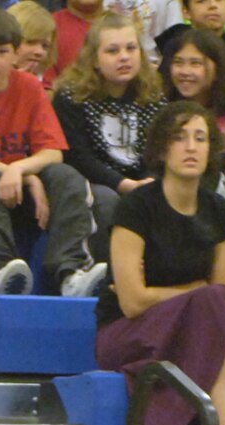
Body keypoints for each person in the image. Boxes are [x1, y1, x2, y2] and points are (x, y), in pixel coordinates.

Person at [100, 102, 225, 425]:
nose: (191, 147)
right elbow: (132, 302)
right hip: (127, 331)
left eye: (200, 138)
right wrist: (192, 293)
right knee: (213, 304)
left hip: (194, 321)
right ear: (162, 149)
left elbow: (224, 295)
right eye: (180, 138)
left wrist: (190, 296)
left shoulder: (219, 212)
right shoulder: (136, 207)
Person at [0, 6, 106, 297]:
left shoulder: (30, 86)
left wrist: (19, 170)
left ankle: (71, 272)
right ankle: (2, 268)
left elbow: (53, 152)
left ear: (15, 54)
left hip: (25, 188)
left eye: (1, 52)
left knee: (66, 176)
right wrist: (21, 175)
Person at [53, 12, 165, 260]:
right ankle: (104, 274)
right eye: (112, 51)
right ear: (94, 59)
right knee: (108, 200)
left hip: (140, 180)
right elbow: (78, 157)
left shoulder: (154, 96)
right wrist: (122, 184)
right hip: (93, 182)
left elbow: (159, 151)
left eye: (131, 48)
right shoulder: (72, 97)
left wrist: (147, 180)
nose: (124, 57)